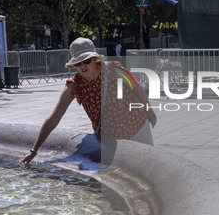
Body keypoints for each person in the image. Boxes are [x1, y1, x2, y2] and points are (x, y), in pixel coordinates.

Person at [19, 37, 157, 166]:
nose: (83, 65)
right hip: (110, 138)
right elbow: (55, 116)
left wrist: (150, 113)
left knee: (148, 168)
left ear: (95, 59)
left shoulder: (114, 70)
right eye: (78, 63)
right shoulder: (74, 86)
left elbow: (137, 88)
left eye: (87, 60)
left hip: (137, 127)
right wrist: (34, 150)